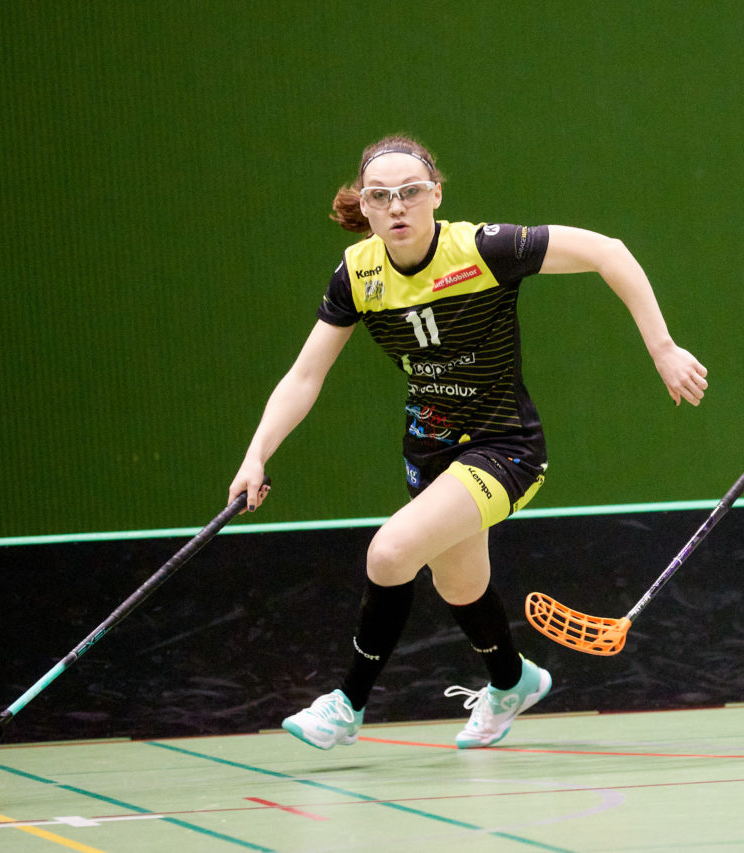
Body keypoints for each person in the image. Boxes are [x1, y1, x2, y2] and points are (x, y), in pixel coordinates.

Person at [228, 135, 708, 750]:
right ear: (365, 209)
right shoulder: (357, 276)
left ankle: (346, 704)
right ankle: (513, 681)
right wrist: (256, 454)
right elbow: (305, 374)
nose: (396, 206)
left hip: (504, 447)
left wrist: (662, 347)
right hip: (429, 449)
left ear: (434, 196)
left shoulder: (484, 250)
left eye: (409, 193)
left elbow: (607, 251)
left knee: (390, 551)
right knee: (458, 585)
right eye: (381, 197)